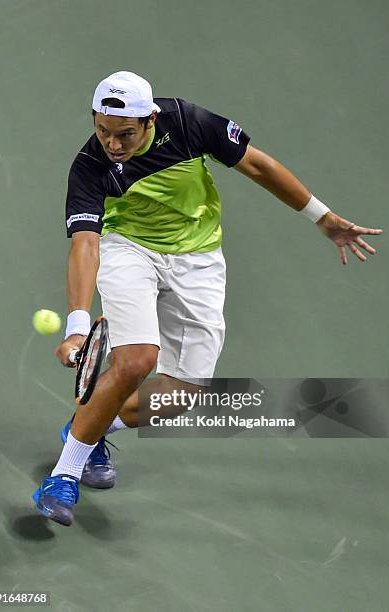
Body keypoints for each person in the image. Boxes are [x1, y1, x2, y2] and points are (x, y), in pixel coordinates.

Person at [32, 71, 382, 526]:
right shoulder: (90, 166)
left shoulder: (190, 122)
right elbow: (86, 244)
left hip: (198, 257)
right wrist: (77, 324)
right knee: (136, 361)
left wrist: (322, 217)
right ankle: (64, 475)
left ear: (150, 118)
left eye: (124, 134)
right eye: (102, 131)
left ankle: (93, 427)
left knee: (180, 396)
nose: (112, 144)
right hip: (128, 249)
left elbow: (257, 165)